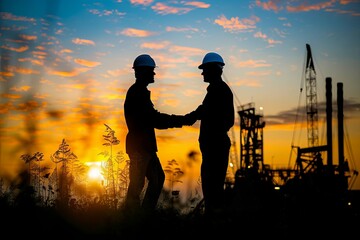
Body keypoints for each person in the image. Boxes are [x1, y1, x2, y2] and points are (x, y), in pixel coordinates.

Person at [123, 54, 191, 215]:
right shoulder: (137, 94)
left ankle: (142, 215)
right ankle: (130, 218)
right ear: (142, 72)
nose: (154, 74)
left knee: (157, 179)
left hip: (145, 147)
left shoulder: (139, 92)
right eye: (151, 71)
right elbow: (154, 119)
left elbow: (152, 118)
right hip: (140, 148)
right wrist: (182, 120)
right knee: (137, 185)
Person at [187, 52, 235, 217]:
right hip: (214, 148)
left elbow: (227, 120)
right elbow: (203, 111)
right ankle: (212, 224)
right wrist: (191, 117)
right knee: (212, 190)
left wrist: (192, 118)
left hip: (216, 148)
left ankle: (213, 226)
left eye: (205, 69)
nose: (202, 73)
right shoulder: (215, 91)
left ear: (214, 70)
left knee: (213, 190)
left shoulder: (219, 91)